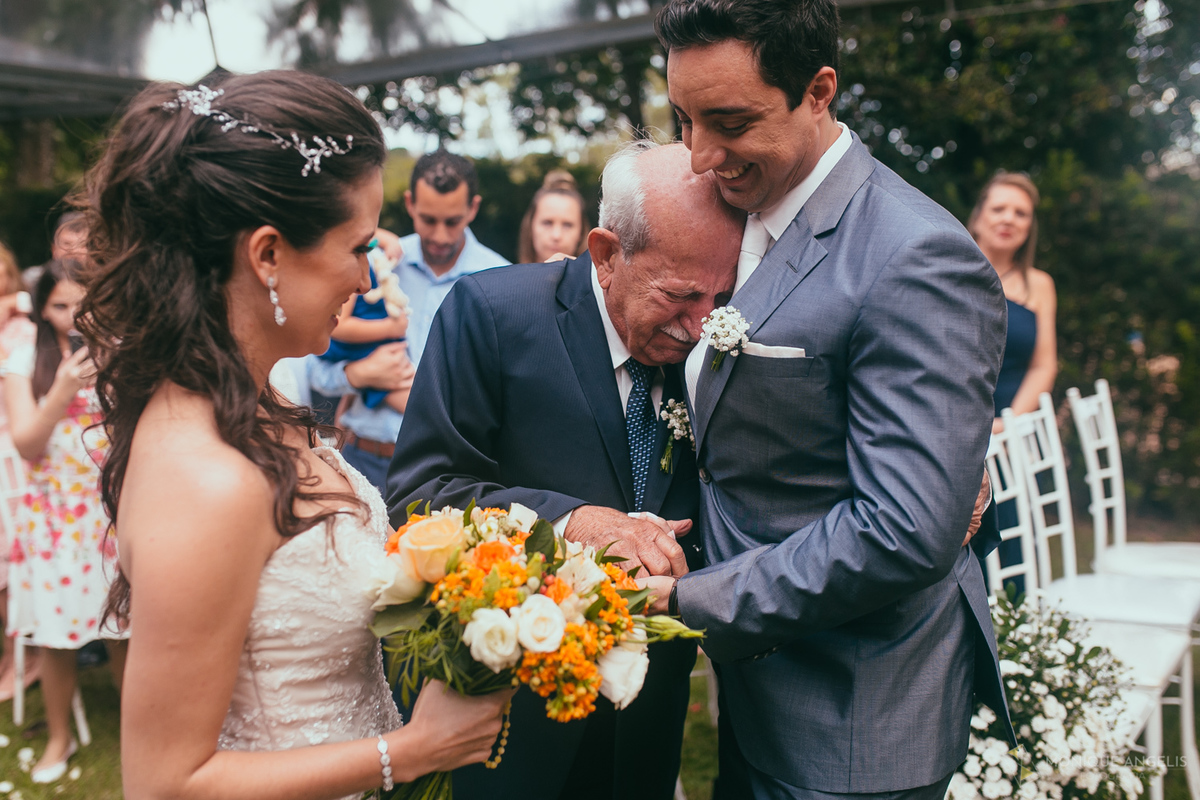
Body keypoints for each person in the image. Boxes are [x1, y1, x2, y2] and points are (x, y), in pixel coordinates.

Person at [75, 71, 511, 800]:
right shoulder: (205, 477)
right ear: (268, 254)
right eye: (357, 246)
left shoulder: (253, 400)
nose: (370, 276)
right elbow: (164, 782)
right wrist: (411, 751)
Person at [646, 2, 1014, 798]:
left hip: (854, 715)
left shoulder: (914, 257)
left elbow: (906, 528)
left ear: (818, 91)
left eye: (730, 122)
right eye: (682, 119)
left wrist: (687, 599)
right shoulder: (725, 209)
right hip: (758, 691)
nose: (699, 155)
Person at [388, 141, 744, 800]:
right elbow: (421, 495)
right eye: (680, 295)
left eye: (719, 296)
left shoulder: (713, 346)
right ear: (607, 255)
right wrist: (572, 521)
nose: (701, 327)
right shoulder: (492, 315)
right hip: (514, 712)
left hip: (647, 718)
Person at [308, 149, 507, 492]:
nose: (440, 235)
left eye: (453, 221)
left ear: (473, 208)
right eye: (428, 220)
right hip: (361, 456)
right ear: (410, 203)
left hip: (447, 471)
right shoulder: (377, 262)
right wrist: (358, 375)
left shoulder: (502, 278)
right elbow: (316, 367)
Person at [3, 258, 126, 782]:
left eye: (84, 304)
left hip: (110, 515)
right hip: (52, 519)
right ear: (43, 306)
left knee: (124, 628)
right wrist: (60, 390)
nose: (75, 317)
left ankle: (137, 731)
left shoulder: (123, 352)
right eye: (61, 306)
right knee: (56, 638)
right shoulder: (22, 355)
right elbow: (27, 443)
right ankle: (58, 735)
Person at [968, 172, 1058, 431]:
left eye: (1021, 213)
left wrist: (1009, 425)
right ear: (978, 217)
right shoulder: (948, 273)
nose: (1009, 219)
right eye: (998, 209)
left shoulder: (1041, 285)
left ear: (1030, 227)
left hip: (1015, 437)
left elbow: (1043, 366)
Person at [0, 239, 37, 703]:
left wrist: (13, 301)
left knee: (11, 564)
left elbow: (37, 295)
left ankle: (26, 660)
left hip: (13, 459)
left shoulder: (24, 327)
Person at [517, 169, 588, 263]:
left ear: (581, 232)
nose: (556, 235)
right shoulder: (506, 276)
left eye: (567, 225)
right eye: (547, 223)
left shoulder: (596, 277)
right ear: (531, 226)